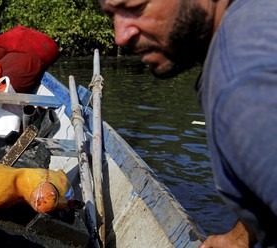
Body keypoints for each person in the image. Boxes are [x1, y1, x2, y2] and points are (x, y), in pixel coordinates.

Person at [99, 0, 277, 247]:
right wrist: (239, 238)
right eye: (112, 15)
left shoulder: (241, 85)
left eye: (135, 7)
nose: (120, 35)